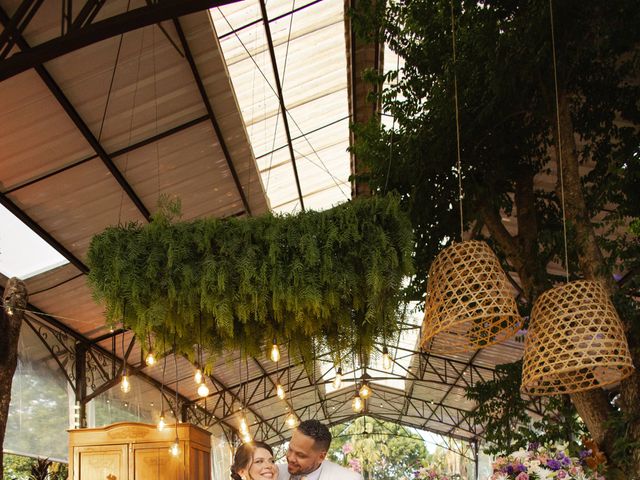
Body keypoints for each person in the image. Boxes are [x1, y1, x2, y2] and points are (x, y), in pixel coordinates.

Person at [278, 419, 363, 480]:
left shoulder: (349, 478)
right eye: (290, 449)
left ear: (321, 457)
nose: (291, 458)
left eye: (300, 455)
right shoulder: (274, 473)